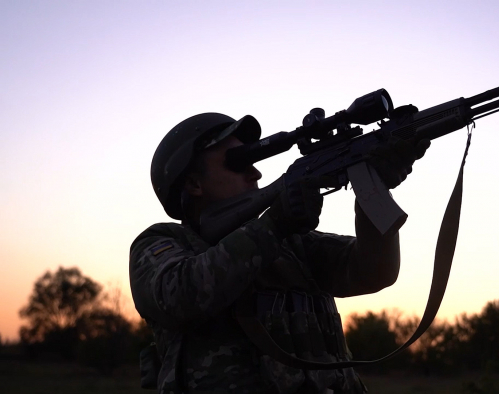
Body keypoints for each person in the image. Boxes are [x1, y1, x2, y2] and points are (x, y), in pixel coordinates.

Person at [130, 112, 428, 393]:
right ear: (194, 183)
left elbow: (374, 272)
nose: (255, 171)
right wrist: (275, 225)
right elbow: (180, 295)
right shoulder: (163, 243)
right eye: (238, 161)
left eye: (254, 157)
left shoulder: (294, 244)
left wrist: (372, 185)